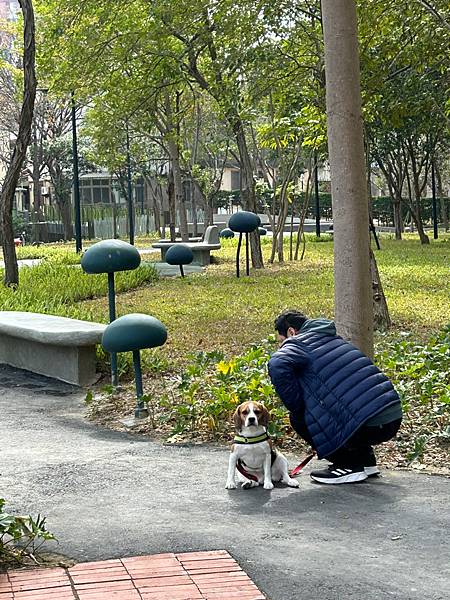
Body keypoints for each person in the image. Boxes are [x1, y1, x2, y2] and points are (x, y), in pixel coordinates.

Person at [268, 310, 402, 484]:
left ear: (291, 332)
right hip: (391, 415)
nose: (282, 345)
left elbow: (277, 364)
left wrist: (297, 405)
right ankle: (366, 461)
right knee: (340, 403)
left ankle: (348, 465)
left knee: (299, 418)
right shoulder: (333, 339)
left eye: (281, 341)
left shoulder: (297, 343)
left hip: (368, 423)